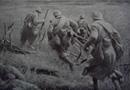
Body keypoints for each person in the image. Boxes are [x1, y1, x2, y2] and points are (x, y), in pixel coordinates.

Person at [82, 11, 124, 90]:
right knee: (111, 70)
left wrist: (86, 45)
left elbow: (94, 37)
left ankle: (96, 87)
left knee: (92, 67)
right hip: (111, 51)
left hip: (101, 52)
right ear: (101, 17)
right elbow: (117, 35)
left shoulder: (94, 25)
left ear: (93, 18)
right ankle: (118, 86)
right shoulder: (108, 25)